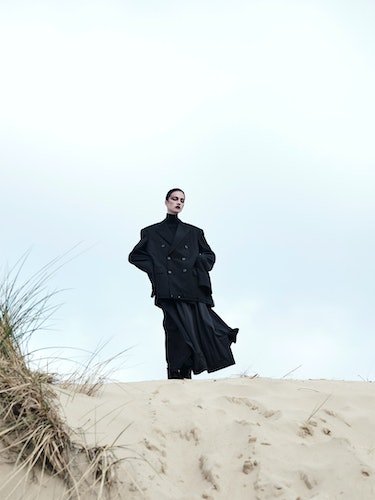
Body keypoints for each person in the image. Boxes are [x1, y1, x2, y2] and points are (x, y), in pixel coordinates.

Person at [129, 188, 238, 379]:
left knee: (198, 328)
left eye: (182, 200)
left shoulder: (194, 232)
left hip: (192, 287)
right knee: (174, 328)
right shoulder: (151, 232)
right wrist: (158, 270)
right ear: (166, 202)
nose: (178, 203)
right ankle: (175, 372)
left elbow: (209, 256)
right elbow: (135, 256)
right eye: (174, 199)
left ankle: (184, 372)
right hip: (168, 287)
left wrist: (197, 263)